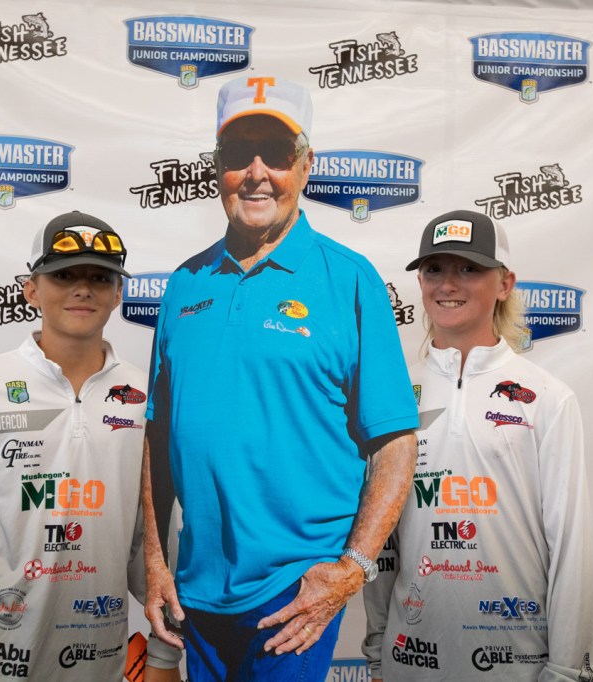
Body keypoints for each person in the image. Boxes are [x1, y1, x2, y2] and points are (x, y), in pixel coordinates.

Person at [140, 75, 420, 681]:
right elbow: (158, 438)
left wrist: (351, 568)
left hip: (295, 596)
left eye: (276, 152)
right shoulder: (184, 284)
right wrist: (156, 562)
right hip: (196, 593)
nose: (257, 173)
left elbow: (395, 443)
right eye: (239, 154)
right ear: (217, 168)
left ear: (306, 164)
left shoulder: (350, 279)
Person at [0, 210, 181, 681]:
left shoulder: (146, 398)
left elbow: (155, 543)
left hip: (98, 664)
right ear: (31, 290)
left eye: (100, 277)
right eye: (64, 275)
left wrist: (164, 652)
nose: (83, 289)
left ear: (118, 294)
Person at [362, 209, 593, 681]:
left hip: (522, 665)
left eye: (469, 269)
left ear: (504, 283)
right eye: (434, 269)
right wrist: (378, 654)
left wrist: (567, 670)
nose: (447, 284)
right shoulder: (391, 397)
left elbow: (571, 546)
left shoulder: (547, 398)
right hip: (409, 662)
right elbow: (381, 540)